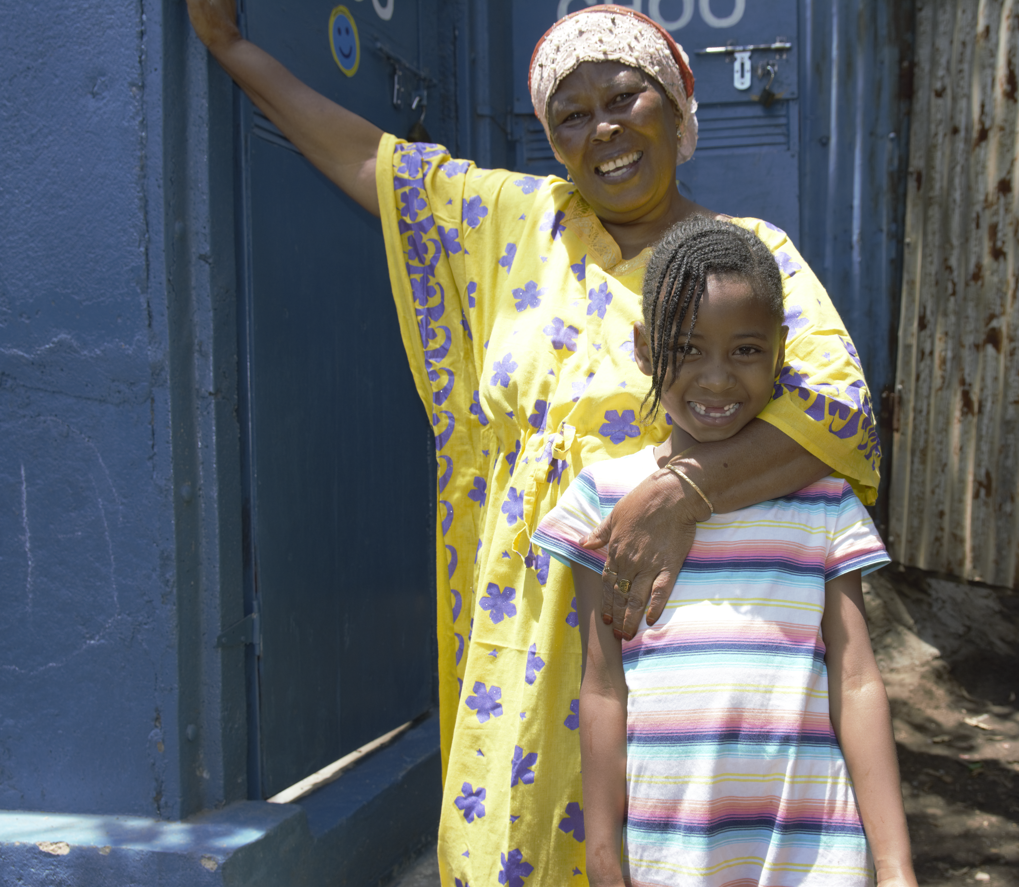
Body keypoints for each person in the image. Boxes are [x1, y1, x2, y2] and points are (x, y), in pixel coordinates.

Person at [186, 3, 881, 884]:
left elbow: (841, 411)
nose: (605, 130)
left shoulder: (746, 257)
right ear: (553, 141)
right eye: (572, 115)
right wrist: (235, 49)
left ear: (677, 106)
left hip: (675, 611)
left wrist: (684, 492)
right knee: (520, 830)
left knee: (671, 833)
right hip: (529, 602)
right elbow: (370, 160)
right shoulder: (516, 223)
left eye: (626, 97)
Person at [533, 218, 916, 887]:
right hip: (673, 855)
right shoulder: (606, 501)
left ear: (780, 352)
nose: (716, 379)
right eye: (687, 348)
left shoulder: (820, 500)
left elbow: (857, 681)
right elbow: (602, 689)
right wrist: (602, 854)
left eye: (744, 350)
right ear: (646, 350)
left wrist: (894, 865)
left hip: (813, 853)